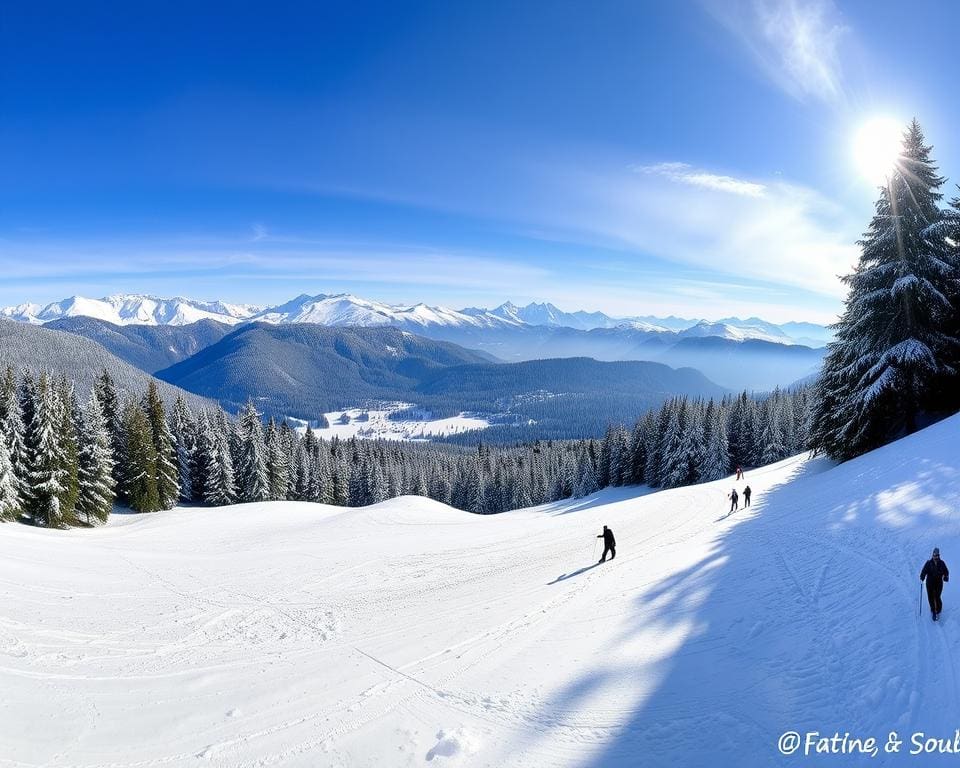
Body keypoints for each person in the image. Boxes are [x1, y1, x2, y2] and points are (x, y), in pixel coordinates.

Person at [921, 547, 949, 621]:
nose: (936, 557)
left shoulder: (942, 563)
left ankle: (939, 610)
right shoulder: (928, 563)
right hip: (930, 583)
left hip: (938, 582)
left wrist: (946, 576)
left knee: (937, 596)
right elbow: (924, 571)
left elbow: (946, 571)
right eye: (934, 555)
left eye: (937, 555)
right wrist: (922, 576)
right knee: (930, 597)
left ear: (939, 555)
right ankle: (933, 611)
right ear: (932, 555)